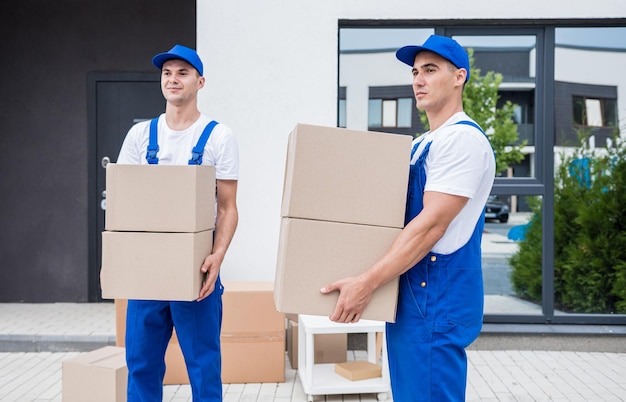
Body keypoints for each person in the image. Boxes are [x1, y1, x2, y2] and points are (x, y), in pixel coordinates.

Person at [321, 35, 495, 401]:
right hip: (412, 298)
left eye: (430, 70)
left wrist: (366, 283)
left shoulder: (461, 142)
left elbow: (431, 225)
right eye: (415, 72)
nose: (418, 80)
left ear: (459, 76)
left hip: (436, 297)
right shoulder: (422, 144)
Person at [116, 44, 239, 401]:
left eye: (182, 73)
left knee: (203, 366)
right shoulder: (140, 137)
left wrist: (217, 257)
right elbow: (125, 204)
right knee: (141, 364)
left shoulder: (218, 137)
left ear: (200, 82)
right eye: (167, 73)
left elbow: (228, 207)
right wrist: (120, 262)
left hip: (195, 270)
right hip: (146, 273)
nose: (173, 79)